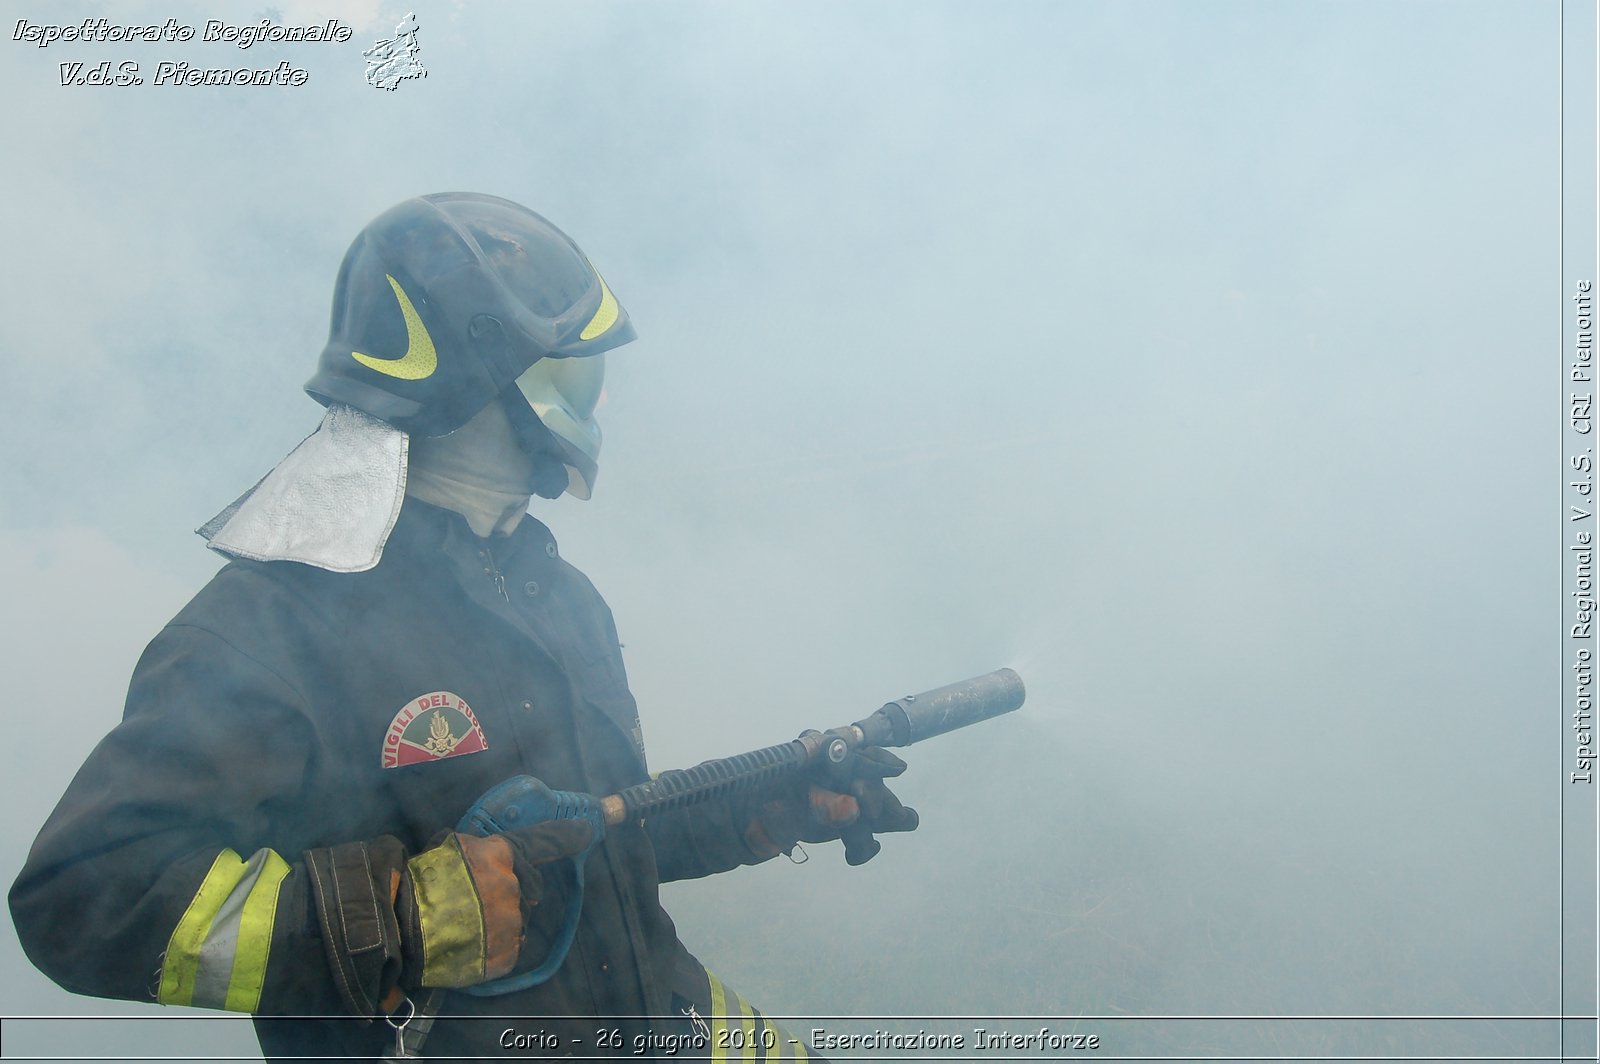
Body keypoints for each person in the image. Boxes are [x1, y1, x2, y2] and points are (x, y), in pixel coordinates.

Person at [8, 192, 918, 1062]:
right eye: (563, 371)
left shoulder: (558, 596)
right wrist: (400, 917)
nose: (589, 406)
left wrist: (759, 806)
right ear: (467, 382)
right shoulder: (269, 631)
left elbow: (594, 842)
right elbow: (80, 897)